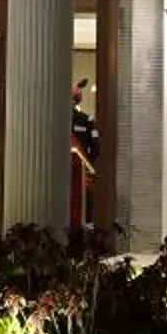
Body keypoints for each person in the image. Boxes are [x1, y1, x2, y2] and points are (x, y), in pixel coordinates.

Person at [69, 79, 99, 228]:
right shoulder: (86, 120)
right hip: (80, 175)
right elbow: (95, 149)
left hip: (81, 173)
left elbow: (95, 148)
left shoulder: (86, 121)